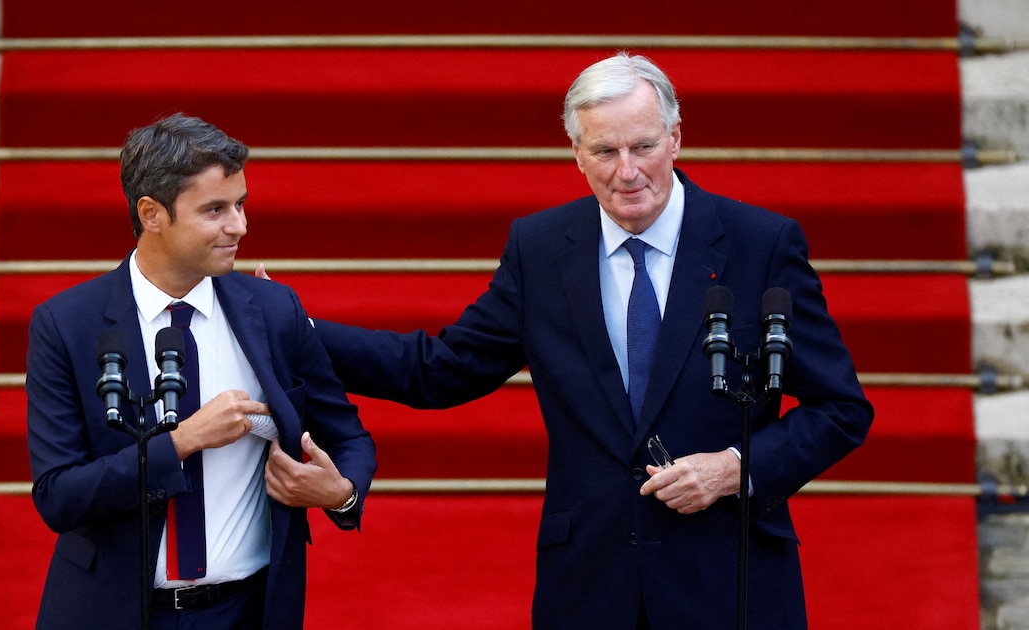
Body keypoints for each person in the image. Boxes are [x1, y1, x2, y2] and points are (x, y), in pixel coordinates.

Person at [303, 53, 873, 628]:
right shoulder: (541, 248)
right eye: (605, 151)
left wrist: (734, 468)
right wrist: (293, 330)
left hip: (730, 577)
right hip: (590, 586)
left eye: (643, 147)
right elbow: (440, 369)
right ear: (577, 154)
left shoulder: (761, 243)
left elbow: (841, 409)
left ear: (675, 139)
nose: (627, 171)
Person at [25, 113, 376, 630]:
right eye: (215, 210)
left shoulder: (274, 310)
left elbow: (349, 436)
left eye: (240, 205)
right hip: (113, 612)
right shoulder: (66, 324)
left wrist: (340, 494)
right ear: (152, 213)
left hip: (249, 611)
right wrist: (182, 441)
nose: (239, 225)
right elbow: (58, 496)